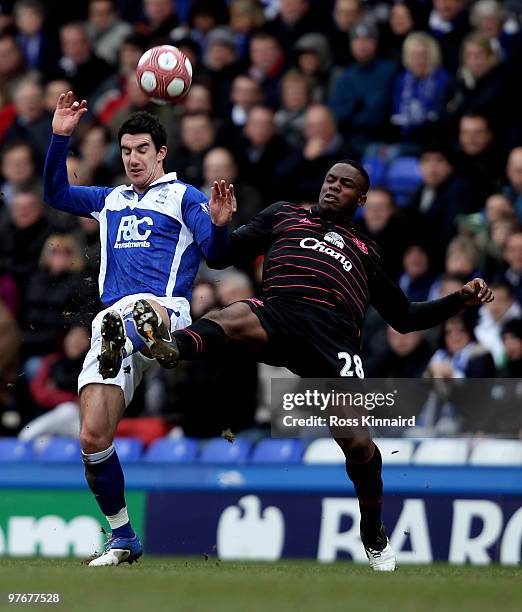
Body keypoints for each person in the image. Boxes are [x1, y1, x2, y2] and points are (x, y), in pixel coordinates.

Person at [157, 159, 494, 571]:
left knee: (355, 441)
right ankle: (169, 346)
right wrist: (221, 224)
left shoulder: (367, 251)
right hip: (279, 312)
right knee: (230, 316)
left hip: (332, 339)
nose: (334, 187)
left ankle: (372, 532)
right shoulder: (283, 214)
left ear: (362, 198)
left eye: (346, 184)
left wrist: (458, 299)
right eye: (330, 179)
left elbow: (404, 317)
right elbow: (223, 255)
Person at [43, 91, 235, 566]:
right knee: (92, 437)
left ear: (161, 152)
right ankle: (124, 536)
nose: (132, 159)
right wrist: (60, 137)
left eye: (141, 150)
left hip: (166, 308)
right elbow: (55, 194)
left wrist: (223, 225)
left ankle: (143, 333)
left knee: (136, 311)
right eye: (126, 151)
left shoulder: (183, 197)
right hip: (114, 322)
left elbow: (217, 253)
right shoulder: (109, 200)